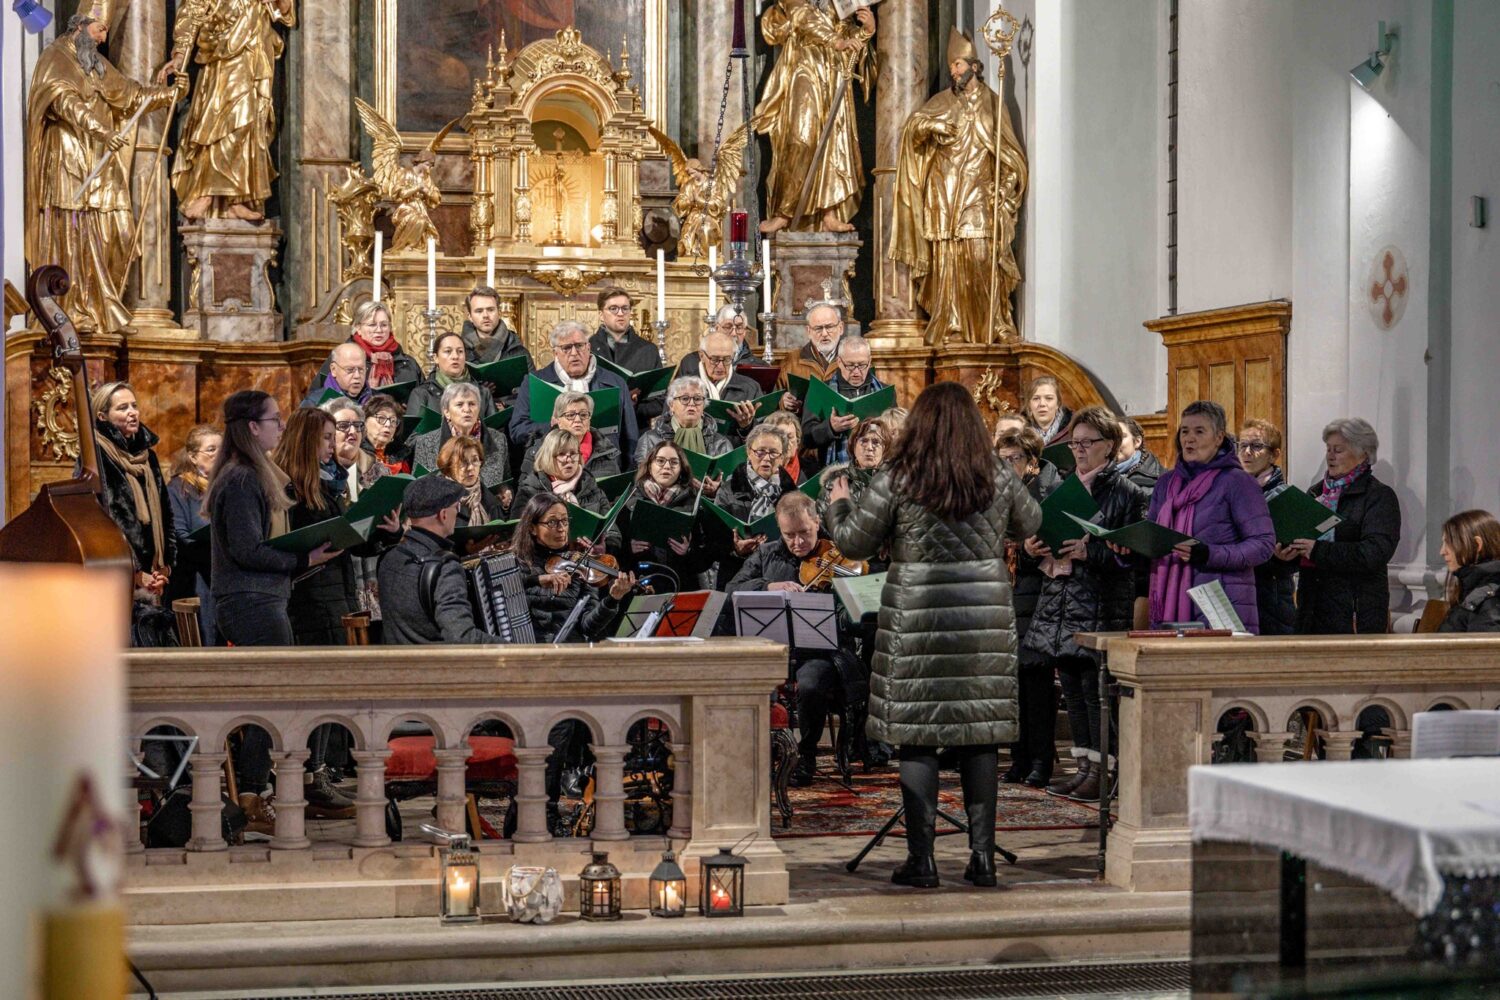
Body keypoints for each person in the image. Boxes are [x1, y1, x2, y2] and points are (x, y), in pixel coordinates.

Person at [824, 381, 1041, 888]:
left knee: (917, 736)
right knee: (980, 736)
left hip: (916, 620)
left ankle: (921, 861)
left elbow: (854, 542)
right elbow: (1032, 522)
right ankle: (982, 859)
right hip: (983, 619)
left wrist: (838, 503)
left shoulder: (901, 475)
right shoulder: (996, 473)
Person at [206, 391, 339, 820]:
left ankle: (257, 791)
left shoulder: (250, 473)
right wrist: (303, 559)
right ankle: (250, 795)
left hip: (261, 599)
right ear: (252, 427)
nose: (281, 427)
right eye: (274, 420)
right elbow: (247, 549)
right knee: (272, 700)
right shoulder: (242, 478)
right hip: (251, 602)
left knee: (274, 698)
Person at [1022, 407, 1148, 803]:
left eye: (1087, 443)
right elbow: (1040, 536)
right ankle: (1082, 769)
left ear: (1108, 446)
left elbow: (1133, 556)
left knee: (1097, 692)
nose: (1078, 450)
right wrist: (1031, 547)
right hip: (1060, 599)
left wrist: (1089, 552)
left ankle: (1104, 771)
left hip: (1100, 602)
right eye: (1074, 443)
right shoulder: (1062, 487)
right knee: (1073, 690)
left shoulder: (1127, 493)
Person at [26, 14, 179, 334]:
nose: (102, 38)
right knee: (74, 230)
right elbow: (63, 102)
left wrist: (169, 94)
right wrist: (102, 131)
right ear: (80, 26)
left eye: (106, 31)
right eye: (100, 29)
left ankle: (102, 305)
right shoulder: (56, 57)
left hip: (99, 157)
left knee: (118, 230)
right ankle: (73, 306)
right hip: (69, 156)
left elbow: (131, 95)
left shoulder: (94, 63)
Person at [727, 493, 871, 785]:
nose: (798, 542)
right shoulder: (766, 554)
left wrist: (832, 609)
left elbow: (857, 618)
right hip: (773, 651)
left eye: (804, 532)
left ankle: (806, 755)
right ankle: (748, 753)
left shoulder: (840, 556)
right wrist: (768, 586)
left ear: (817, 522)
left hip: (822, 652)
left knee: (810, 684)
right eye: (789, 535)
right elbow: (731, 589)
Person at [512, 493, 637, 816]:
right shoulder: (517, 565)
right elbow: (501, 593)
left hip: (565, 663)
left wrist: (612, 598)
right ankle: (534, 808)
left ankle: (558, 799)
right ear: (532, 527)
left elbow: (588, 626)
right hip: (524, 661)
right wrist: (538, 580)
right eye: (552, 522)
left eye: (565, 522)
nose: (561, 529)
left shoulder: (579, 569)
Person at [1146, 400, 1275, 632]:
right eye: (1184, 431)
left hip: (1222, 601)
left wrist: (1208, 554)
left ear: (1218, 438)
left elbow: (1263, 545)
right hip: (1169, 599)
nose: (1189, 439)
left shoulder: (1238, 482)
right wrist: (1128, 549)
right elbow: (1152, 538)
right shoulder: (1165, 483)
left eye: (1199, 431)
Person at [274, 408, 399, 647]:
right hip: (310, 600)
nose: (333, 444)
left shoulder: (327, 485)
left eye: (333, 437)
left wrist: (388, 532)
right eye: (326, 437)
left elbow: (349, 544)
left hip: (338, 593)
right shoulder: (288, 489)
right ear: (306, 440)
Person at [1283, 417, 1401, 635]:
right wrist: (1285, 555)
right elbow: (1302, 546)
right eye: (1328, 449)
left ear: (1363, 454)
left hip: (1354, 612)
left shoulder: (1378, 496)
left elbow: (1375, 552)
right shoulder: (1316, 492)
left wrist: (1318, 550)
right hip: (1312, 608)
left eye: (1338, 450)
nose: (1330, 456)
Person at [995, 426, 1059, 787]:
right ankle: (1018, 759)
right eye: (1001, 459)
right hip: (1004, 597)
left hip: (1036, 598)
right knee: (1012, 687)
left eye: (1014, 459)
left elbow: (1053, 542)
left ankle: (1040, 761)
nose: (1006, 466)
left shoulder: (1044, 492)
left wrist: (1026, 549)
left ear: (1031, 462)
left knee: (1036, 686)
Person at [377, 475, 510, 645]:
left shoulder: (389, 557)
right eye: (456, 507)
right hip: (437, 661)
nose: (458, 512)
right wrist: (510, 648)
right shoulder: (445, 568)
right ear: (443, 514)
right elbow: (462, 638)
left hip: (396, 660)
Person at [92, 382, 176, 604]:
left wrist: (164, 569)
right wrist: (135, 572)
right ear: (102, 416)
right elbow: (102, 522)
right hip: (116, 576)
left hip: (153, 574)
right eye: (122, 408)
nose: (132, 412)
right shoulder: (95, 456)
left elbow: (165, 512)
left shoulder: (148, 456)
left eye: (134, 406)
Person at [510, 319, 638, 458]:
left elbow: (630, 438)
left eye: (579, 346)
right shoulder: (535, 383)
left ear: (588, 347)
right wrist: (551, 426)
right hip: (552, 464)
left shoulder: (615, 382)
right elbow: (517, 430)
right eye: (566, 348)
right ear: (555, 353)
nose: (574, 353)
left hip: (604, 463)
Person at [712, 424, 799, 586]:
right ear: (749, 452)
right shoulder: (728, 491)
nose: (766, 458)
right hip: (736, 576)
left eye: (773, 452)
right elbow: (714, 542)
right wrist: (736, 549)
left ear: (782, 457)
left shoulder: (793, 495)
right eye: (760, 451)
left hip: (781, 577)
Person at [512, 429, 621, 552]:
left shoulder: (591, 487)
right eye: (562, 454)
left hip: (590, 559)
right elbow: (518, 536)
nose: (569, 459)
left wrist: (604, 547)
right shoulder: (529, 491)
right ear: (548, 457)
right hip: (546, 560)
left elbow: (613, 532)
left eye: (573, 453)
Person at [623, 440, 710, 589]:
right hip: (640, 586)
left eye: (674, 462)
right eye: (660, 461)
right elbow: (614, 548)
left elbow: (706, 557)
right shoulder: (629, 500)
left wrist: (688, 551)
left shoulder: (694, 503)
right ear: (649, 466)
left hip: (681, 586)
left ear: (681, 468)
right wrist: (628, 548)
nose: (667, 466)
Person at [1238, 418, 1296, 636]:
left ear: (1274, 454)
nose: (1247, 452)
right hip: (1237, 590)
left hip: (1270, 597)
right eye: (1242, 445)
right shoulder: (1230, 490)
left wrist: (1281, 558)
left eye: (1256, 446)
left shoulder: (1285, 497)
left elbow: (1293, 559)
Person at [167, 425, 222, 645]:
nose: (218, 454)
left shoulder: (227, 485)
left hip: (224, 576)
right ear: (192, 456)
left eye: (222, 448)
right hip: (195, 578)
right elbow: (179, 534)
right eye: (211, 449)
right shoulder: (179, 487)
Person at [802, 336, 887, 472]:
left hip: (877, 470)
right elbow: (806, 439)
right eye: (850, 365)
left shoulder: (884, 392)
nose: (856, 372)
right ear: (839, 362)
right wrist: (831, 427)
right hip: (835, 470)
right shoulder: (820, 391)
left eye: (862, 365)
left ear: (870, 361)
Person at [410, 382, 510, 490]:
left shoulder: (498, 439)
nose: (467, 409)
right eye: (459, 404)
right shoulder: (425, 443)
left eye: (472, 404)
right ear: (447, 412)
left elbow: (506, 482)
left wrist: (506, 492)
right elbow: (417, 490)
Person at [590, 286, 665, 426]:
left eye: (625, 308)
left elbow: (660, 401)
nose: (620, 313)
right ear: (601, 314)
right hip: (596, 428)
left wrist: (631, 407)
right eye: (613, 308)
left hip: (637, 429)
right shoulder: (587, 349)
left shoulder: (648, 350)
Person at [518, 391, 624, 480]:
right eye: (570, 415)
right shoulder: (537, 452)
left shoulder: (607, 452)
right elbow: (525, 494)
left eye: (583, 415)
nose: (578, 420)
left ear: (589, 419)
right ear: (558, 421)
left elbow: (617, 492)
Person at [634, 376, 735, 465]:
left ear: (704, 406)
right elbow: (641, 476)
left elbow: (729, 479)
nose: (691, 403)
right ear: (671, 405)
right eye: (685, 399)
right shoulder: (650, 440)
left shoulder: (721, 443)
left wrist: (716, 482)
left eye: (697, 399)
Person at [406, 332, 498, 421]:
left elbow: (496, 429)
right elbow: (413, 431)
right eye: (448, 351)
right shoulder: (422, 394)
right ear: (436, 358)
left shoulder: (483, 393)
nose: (455, 356)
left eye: (460, 351)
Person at [693, 330, 764, 440]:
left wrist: (746, 426)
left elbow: (763, 436)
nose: (720, 366)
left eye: (727, 359)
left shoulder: (750, 388)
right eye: (715, 359)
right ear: (701, 355)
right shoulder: (684, 387)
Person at [777, 302, 846, 414]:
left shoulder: (853, 359)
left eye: (829, 327)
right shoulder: (791, 361)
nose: (824, 333)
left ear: (841, 328)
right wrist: (783, 402)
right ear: (809, 331)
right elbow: (774, 400)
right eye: (818, 328)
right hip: (803, 423)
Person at [1437, 510, 1500, 633]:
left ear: (1477, 545)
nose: (1442, 551)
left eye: (1449, 543)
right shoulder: (1474, 588)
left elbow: (1487, 644)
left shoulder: (1490, 599)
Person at [341, 301, 423, 389]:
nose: (379, 330)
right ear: (358, 328)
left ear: (390, 327)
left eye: (384, 325)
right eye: (372, 325)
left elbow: (422, 394)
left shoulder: (408, 363)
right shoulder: (342, 359)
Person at [439, 436, 505, 529]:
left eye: (475, 460)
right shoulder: (438, 503)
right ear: (449, 467)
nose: (470, 467)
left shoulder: (491, 502)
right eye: (463, 462)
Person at [676, 304, 756, 379]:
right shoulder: (690, 362)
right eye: (728, 327)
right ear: (717, 328)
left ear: (745, 331)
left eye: (739, 327)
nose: (734, 333)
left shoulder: (756, 366)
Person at [459, 285, 531, 368]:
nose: (485, 315)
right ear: (470, 317)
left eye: (490, 310)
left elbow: (532, 377)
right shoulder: (458, 350)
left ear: (499, 313)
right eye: (479, 311)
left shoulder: (519, 352)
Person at [300, 342, 370, 408]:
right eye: (350, 370)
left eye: (361, 369)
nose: (357, 376)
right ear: (333, 369)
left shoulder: (374, 398)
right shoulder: (313, 403)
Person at [362, 394, 410, 475]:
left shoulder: (401, 458)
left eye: (393, 421)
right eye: (381, 418)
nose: (388, 424)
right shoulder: (355, 455)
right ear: (365, 421)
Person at [1115, 417, 1162, 491]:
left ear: (1137, 442)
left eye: (1121, 437)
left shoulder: (1156, 480)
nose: (1114, 443)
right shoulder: (1100, 474)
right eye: (1111, 437)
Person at [1023, 376, 1071, 446]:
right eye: (1036, 398)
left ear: (1058, 403)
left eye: (1049, 398)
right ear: (1029, 404)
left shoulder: (1075, 428)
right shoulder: (1018, 431)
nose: (1042, 404)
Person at [763, 410, 808, 484]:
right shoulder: (756, 473)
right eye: (781, 438)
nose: (786, 443)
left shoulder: (811, 471)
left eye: (790, 437)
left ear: (797, 441)